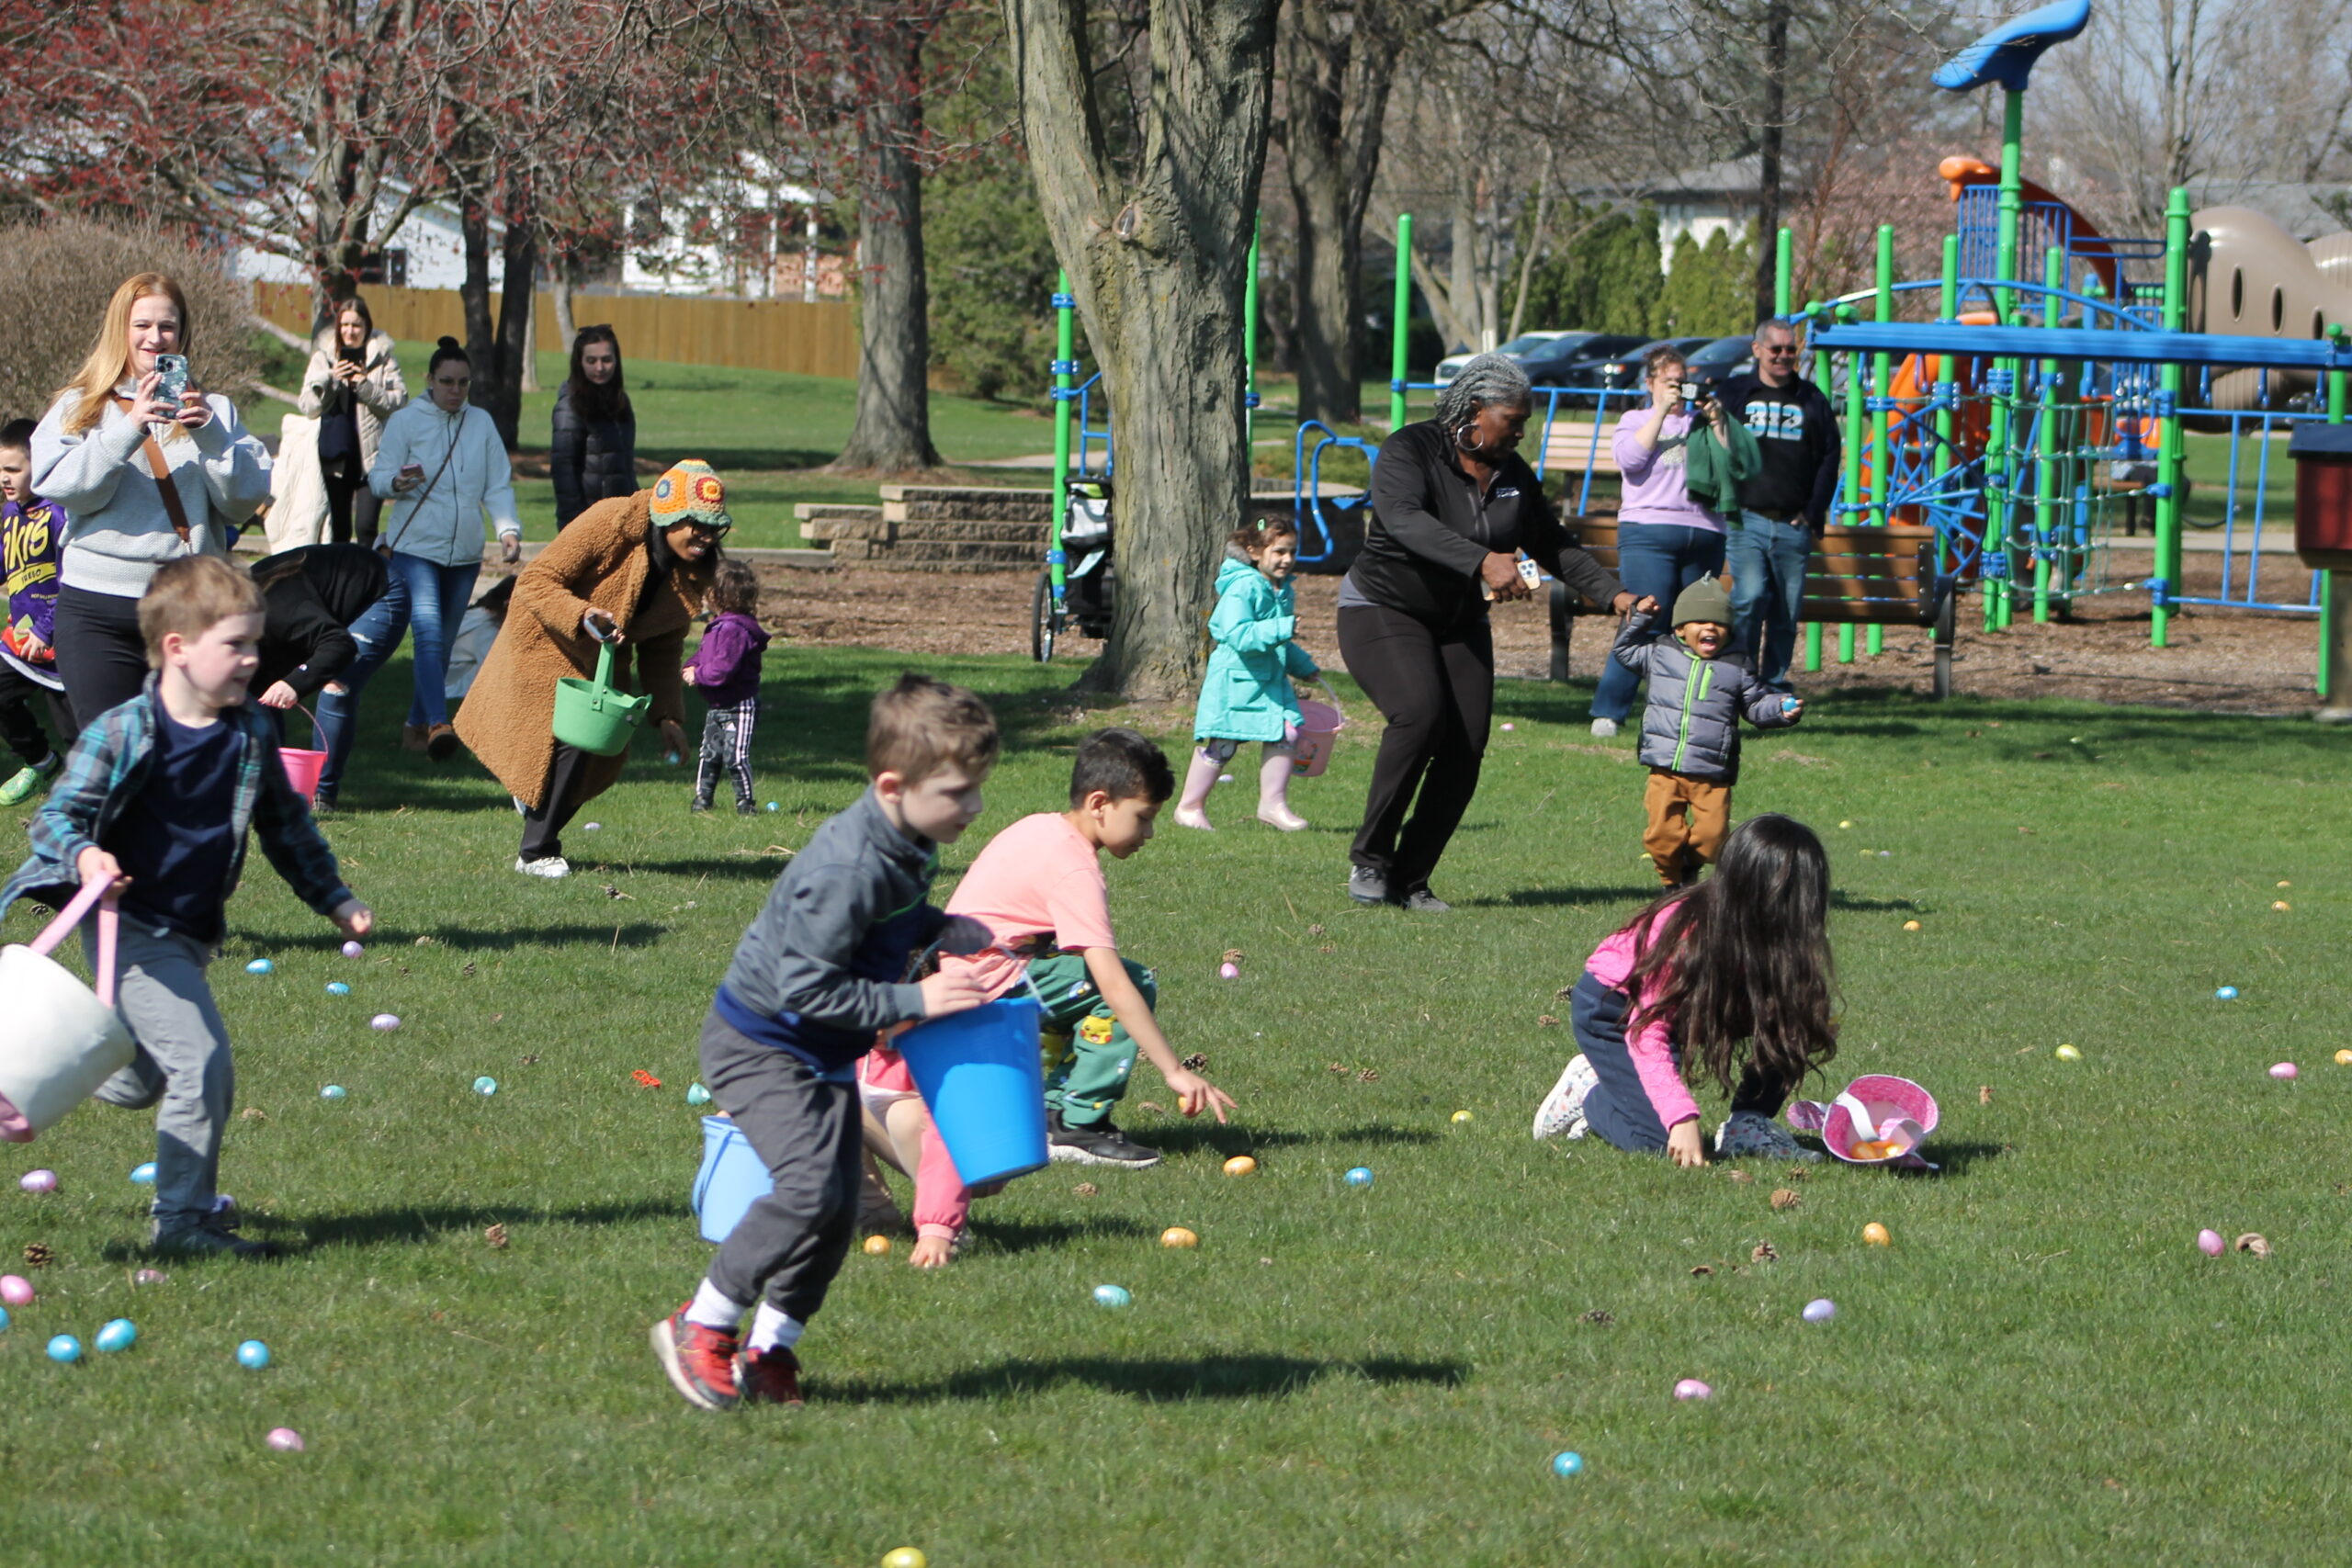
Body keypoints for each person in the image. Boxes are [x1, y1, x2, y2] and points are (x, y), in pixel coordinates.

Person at [0, 556, 372, 1257]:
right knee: (200, 1061)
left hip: (193, 934)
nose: (252, 660)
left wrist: (335, 896)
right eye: (236, 645)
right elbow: (56, 817)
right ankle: (183, 1220)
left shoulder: (250, 734)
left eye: (256, 644)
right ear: (177, 647)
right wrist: (86, 856)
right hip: (133, 930)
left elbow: (286, 827)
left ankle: (70, 1056)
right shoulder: (122, 731)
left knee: (141, 1078)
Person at [650, 673, 1001, 1412]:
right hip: (763, 1042)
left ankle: (768, 1347)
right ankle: (701, 1322)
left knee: (837, 1206)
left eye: (977, 789)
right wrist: (917, 996)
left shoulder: (910, 837)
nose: (973, 807)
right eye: (958, 793)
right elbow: (802, 988)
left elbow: (890, 914)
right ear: (892, 784)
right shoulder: (846, 867)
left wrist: (937, 927)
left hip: (822, 1047)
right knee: (808, 1188)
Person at [1340, 352, 1634, 910]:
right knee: (1420, 716)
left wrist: (1613, 593)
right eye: (1513, 420)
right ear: (1475, 409)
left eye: (1525, 421)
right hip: (1382, 608)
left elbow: (1553, 543)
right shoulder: (1410, 449)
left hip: (1459, 621)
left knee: (1466, 745)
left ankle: (1410, 878)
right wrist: (1482, 560)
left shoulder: (1514, 476)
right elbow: (1403, 520)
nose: (1522, 432)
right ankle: (1371, 862)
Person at [941, 728, 1237, 1169]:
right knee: (1128, 983)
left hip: (964, 977)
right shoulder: (1074, 869)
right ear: (1099, 804)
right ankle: (1078, 1125)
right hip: (984, 991)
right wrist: (1174, 1070)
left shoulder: (1039, 826)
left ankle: (1051, 1113)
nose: (1150, 832)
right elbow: (1113, 982)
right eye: (1143, 816)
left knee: (1078, 980)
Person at [455, 460, 726, 877]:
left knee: (601, 747)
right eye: (699, 526)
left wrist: (667, 716)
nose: (707, 538)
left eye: (715, 528)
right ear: (669, 517)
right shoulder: (610, 521)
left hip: (604, 657)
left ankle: (536, 808)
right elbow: (536, 581)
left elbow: (663, 648)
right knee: (573, 737)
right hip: (547, 640)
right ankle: (537, 851)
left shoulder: (689, 573)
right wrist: (583, 616)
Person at [31, 272, 272, 728]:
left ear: (183, 334)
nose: (155, 338)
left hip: (192, 609)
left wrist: (211, 436)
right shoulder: (81, 405)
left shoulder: (215, 410)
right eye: (141, 325)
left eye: (167, 326)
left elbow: (243, 502)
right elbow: (67, 491)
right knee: (116, 760)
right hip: (97, 610)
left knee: (189, 756)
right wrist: (129, 428)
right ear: (120, 329)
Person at [1531, 813, 1836, 1166]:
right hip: (1615, 1012)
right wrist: (1680, 1117)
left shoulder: (1772, 937)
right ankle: (1589, 1091)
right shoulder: (1685, 937)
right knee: (1657, 1142)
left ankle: (1748, 1124)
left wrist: (1808, 1020)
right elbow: (1649, 1033)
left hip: (1683, 1010)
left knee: (1793, 1016)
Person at [334, 336, 520, 766]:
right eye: (447, 382)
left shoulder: (481, 424)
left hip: (466, 552)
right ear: (430, 380)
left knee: (444, 640)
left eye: (464, 384)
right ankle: (439, 723)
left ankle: (415, 726)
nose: (455, 391)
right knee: (430, 632)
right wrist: (396, 482)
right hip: (415, 547)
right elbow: (377, 478)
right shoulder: (406, 422)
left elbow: (497, 485)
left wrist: (508, 529)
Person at [1588, 344, 1758, 739]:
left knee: (1699, 626)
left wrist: (1717, 423)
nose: (1678, 390)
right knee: (1645, 618)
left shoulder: (1703, 422)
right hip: (1648, 532)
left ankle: (1694, 711)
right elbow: (1630, 461)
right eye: (1669, 382)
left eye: (1683, 383)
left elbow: (1738, 468)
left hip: (1705, 532)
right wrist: (1661, 411)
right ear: (1650, 383)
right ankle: (1610, 710)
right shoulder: (1636, 418)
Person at [1613, 579, 1803, 887]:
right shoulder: (1660, 654)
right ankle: (1672, 884)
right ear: (1680, 630)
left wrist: (1780, 710)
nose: (1710, 628)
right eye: (1700, 622)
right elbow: (1624, 649)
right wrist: (1641, 618)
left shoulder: (1737, 667)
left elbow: (1755, 705)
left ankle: (1690, 862)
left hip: (1712, 770)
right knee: (1661, 836)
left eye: (1719, 623)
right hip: (1664, 766)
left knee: (1714, 840)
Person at [1178, 519, 1322, 832]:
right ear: (1254, 552)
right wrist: (1282, 627)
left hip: (1267, 680)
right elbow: (1237, 633)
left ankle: (1273, 804)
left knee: (1287, 733)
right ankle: (1189, 807)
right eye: (1279, 551)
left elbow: (1278, 643)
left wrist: (1303, 665)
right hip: (1236, 681)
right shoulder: (1243, 586)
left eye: (1292, 552)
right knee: (1224, 743)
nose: (1287, 559)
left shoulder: (1281, 589)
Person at [1720, 320, 1841, 692]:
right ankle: (1740, 679)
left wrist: (1812, 510)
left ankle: (1771, 687)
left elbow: (1829, 456)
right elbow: (1708, 442)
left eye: (1791, 350)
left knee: (1785, 613)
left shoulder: (1812, 399)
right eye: (1776, 349)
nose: (1784, 357)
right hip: (1746, 519)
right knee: (1750, 597)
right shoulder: (1736, 393)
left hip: (1793, 524)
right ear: (1757, 350)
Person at [245, 544, 390, 790]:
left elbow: (339, 645)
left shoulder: (280, 611)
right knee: (259, 694)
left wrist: (294, 683)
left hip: (378, 584)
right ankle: (270, 785)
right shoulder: (237, 626)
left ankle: (320, 794)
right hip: (314, 605)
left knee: (336, 687)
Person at [0, 419, 74, 805]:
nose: (4, 479)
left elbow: (73, 581)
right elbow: (6, 563)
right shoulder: (11, 512)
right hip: (19, 640)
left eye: (13, 469)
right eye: (0, 470)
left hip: (60, 645)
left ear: (40, 463)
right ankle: (39, 760)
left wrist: (46, 630)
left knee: (80, 739)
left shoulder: (61, 513)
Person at [297, 296, 406, 547]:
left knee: (366, 527)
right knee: (340, 527)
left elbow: (399, 401)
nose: (350, 332)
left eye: (356, 325)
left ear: (367, 326)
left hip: (374, 457)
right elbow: (308, 407)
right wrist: (331, 379)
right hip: (336, 457)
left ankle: (368, 582)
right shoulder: (322, 359)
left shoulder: (384, 358)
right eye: (344, 325)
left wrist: (365, 387)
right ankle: (342, 582)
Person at [685, 558, 770, 815]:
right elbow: (704, 654)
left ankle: (745, 803)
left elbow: (722, 669)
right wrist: (691, 665)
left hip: (739, 705)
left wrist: (698, 675)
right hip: (717, 705)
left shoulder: (733, 630)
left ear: (719, 595)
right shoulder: (719, 626)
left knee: (735, 756)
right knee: (709, 753)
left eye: (708, 589)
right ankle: (703, 799)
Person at [551, 324, 637, 528]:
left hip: (621, 518)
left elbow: (625, 465)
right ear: (579, 363)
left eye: (606, 360)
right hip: (587, 522)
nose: (600, 367)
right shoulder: (570, 406)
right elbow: (563, 469)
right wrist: (575, 525)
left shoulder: (620, 402)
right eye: (591, 361)